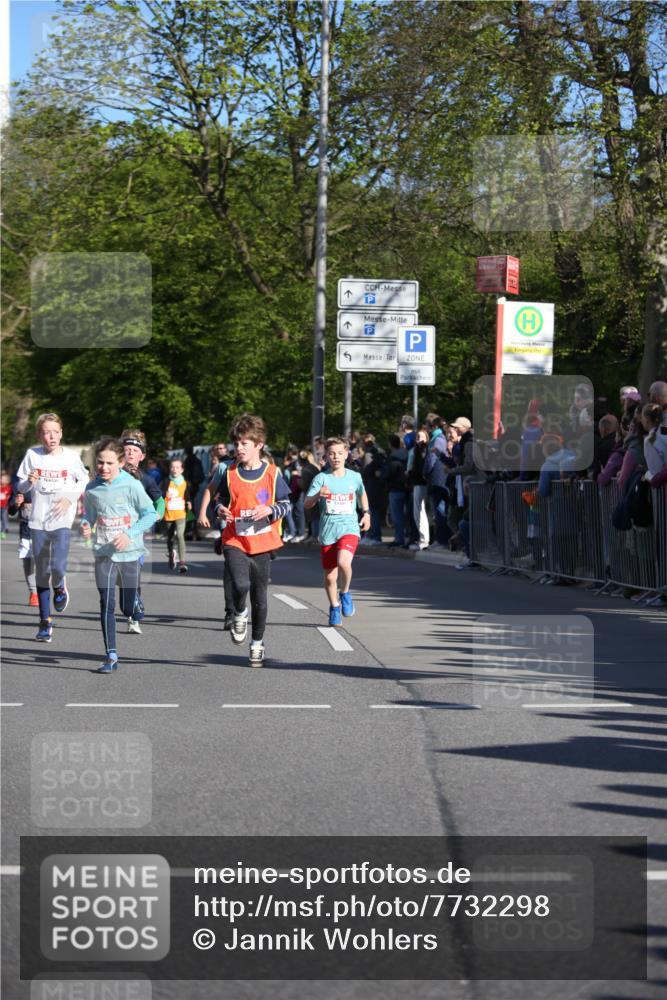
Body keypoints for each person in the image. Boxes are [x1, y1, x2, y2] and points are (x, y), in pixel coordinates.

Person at [215, 414, 290, 665]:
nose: (239, 448)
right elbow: (220, 500)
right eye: (236, 443)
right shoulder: (229, 472)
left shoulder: (272, 473)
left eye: (244, 443)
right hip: (235, 538)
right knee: (240, 585)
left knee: (260, 596)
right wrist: (220, 510)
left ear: (259, 444)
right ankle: (239, 612)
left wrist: (270, 510)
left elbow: (286, 504)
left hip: (262, 542)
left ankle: (257, 643)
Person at [81, 437, 157, 673]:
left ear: (121, 463)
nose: (103, 467)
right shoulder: (92, 488)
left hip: (129, 553)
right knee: (106, 603)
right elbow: (89, 516)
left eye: (109, 463)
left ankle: (134, 603)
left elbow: (150, 514)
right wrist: (85, 525)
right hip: (103, 553)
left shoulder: (132, 485)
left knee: (127, 609)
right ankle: (111, 655)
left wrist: (129, 534)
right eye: (100, 462)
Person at [16, 412, 89, 642]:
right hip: (38, 520)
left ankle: (59, 586)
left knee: (57, 567)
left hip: (61, 520)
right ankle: (45, 622)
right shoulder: (32, 455)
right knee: (41, 571)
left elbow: (84, 479)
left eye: (55, 432)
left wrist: (69, 497)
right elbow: (21, 486)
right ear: (39, 435)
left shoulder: (71, 457)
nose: (52, 436)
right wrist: (29, 482)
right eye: (47, 432)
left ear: (61, 433)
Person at [305, 437, 370, 626]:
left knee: (343, 562)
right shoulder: (322, 478)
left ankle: (345, 593)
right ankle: (334, 607)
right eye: (332, 454)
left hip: (349, 527)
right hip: (328, 531)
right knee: (330, 576)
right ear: (326, 456)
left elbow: (362, 494)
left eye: (340, 453)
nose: (336, 457)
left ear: (346, 454)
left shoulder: (354, 476)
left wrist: (366, 513)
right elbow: (307, 503)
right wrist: (318, 496)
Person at [121, 429, 166, 631]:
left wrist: (158, 515)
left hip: (135, 535)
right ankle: (129, 603)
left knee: (133, 574)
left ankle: (133, 616)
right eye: (127, 449)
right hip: (113, 532)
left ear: (142, 456)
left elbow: (160, 501)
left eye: (135, 450)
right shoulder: (111, 476)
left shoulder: (146, 479)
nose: (130, 453)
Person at [162, 458, 192, 573]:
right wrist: (165, 495)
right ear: (170, 469)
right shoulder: (166, 481)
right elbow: (159, 496)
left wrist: (189, 502)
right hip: (169, 513)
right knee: (170, 538)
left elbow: (188, 495)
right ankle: (171, 554)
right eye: (172, 467)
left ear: (182, 470)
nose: (174, 469)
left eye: (177, 467)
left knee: (180, 535)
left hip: (181, 513)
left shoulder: (185, 482)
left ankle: (182, 563)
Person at [15, 490, 38, 605]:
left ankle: (43, 588)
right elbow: (11, 511)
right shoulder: (20, 487)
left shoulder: (48, 485)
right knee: (28, 563)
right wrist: (16, 504)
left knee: (45, 564)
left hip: (44, 531)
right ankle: (34, 593)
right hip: (26, 533)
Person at [0, 470, 12, 538]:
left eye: (3, 479)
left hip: (4, 506)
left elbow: (10, 496)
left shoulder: (8, 488)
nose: (1, 480)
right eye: (1, 478)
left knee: (4, 518)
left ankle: (3, 531)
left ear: (7, 481)